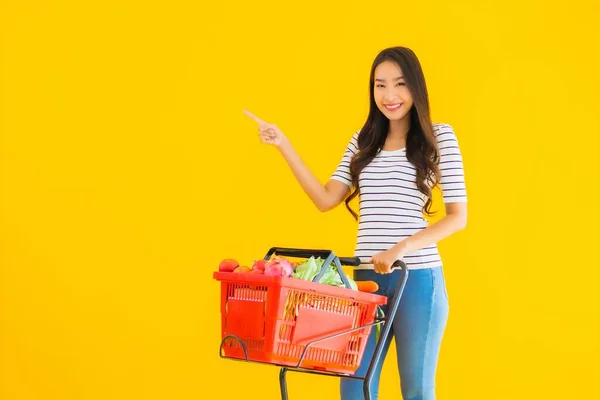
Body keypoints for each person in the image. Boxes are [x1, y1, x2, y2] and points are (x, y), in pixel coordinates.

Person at [243, 46, 467, 400]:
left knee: (417, 391)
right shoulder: (363, 142)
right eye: (380, 85)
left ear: (416, 87)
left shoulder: (439, 136)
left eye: (399, 84)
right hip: (364, 283)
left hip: (418, 281)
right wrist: (283, 144)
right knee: (353, 385)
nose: (389, 95)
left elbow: (458, 218)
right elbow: (325, 199)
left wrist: (400, 248)